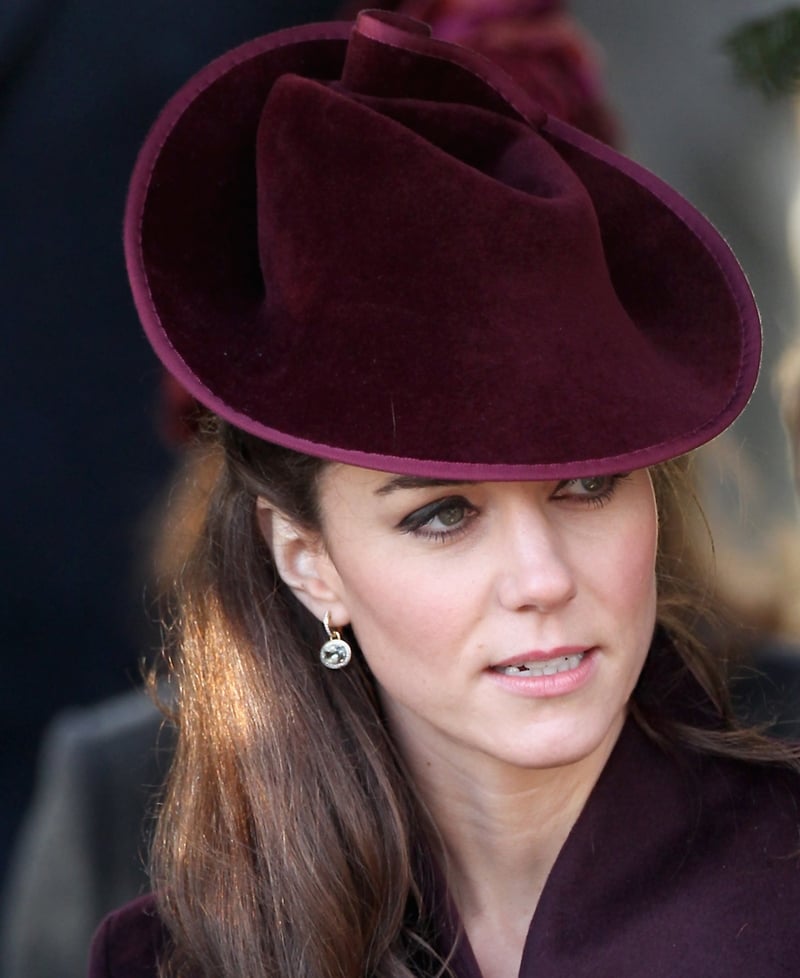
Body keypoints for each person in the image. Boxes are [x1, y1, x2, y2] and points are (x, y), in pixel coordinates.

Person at [89, 10, 800, 978]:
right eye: (441, 515)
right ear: (307, 562)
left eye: (585, 487)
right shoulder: (183, 960)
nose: (540, 577)